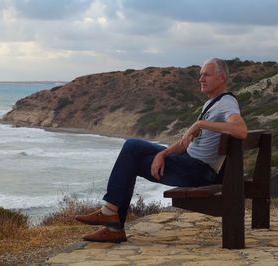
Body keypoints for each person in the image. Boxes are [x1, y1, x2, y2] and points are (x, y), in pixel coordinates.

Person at [75, 58, 248, 243]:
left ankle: (111, 219)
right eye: (200, 75)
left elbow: (241, 130)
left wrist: (200, 123)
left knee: (132, 150)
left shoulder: (227, 102)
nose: (201, 79)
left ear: (222, 77)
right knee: (131, 150)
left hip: (198, 171)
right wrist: (162, 154)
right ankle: (112, 222)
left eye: (206, 74)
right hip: (190, 161)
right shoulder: (211, 104)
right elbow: (183, 144)